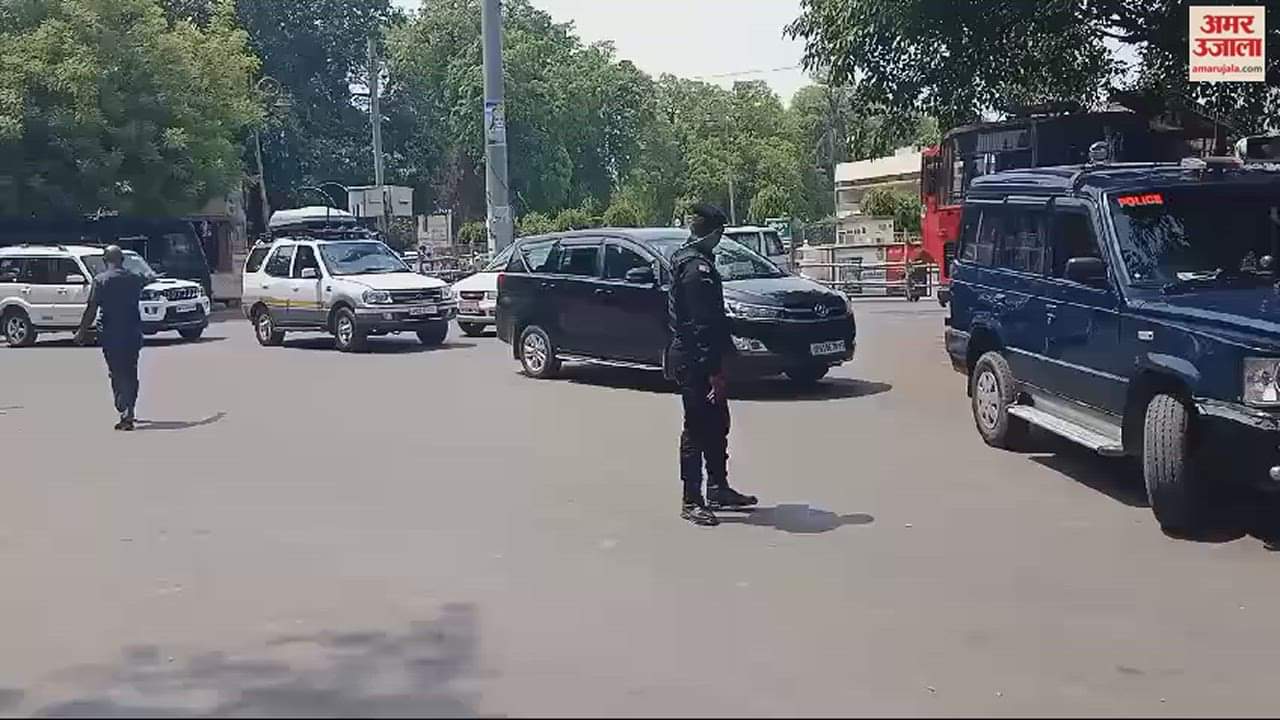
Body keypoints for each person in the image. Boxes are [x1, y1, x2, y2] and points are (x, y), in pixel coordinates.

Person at [667, 203, 758, 526]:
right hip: (695, 361)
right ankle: (692, 499)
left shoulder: (692, 259)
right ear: (715, 233)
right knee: (697, 428)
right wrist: (714, 371)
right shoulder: (695, 269)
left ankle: (718, 488)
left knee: (718, 424)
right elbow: (700, 324)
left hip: (699, 356)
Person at [75, 245, 148, 431]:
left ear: (105, 260)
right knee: (131, 372)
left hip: (110, 334)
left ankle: (122, 405)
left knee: (116, 372)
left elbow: (91, 309)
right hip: (132, 332)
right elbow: (146, 281)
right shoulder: (134, 279)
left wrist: (82, 331)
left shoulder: (100, 280)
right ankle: (129, 409)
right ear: (122, 260)